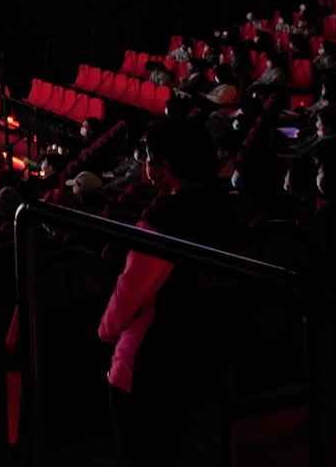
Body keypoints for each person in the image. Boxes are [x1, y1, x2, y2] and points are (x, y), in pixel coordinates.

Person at [98, 118, 238, 466]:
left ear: (164, 168)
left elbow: (122, 306)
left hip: (150, 372)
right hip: (206, 363)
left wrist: (104, 332)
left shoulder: (163, 223)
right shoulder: (230, 211)